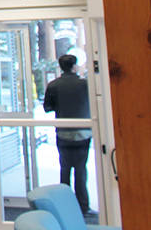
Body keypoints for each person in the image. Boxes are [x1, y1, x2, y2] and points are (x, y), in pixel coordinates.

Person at [43, 53, 93, 215]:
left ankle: (64, 206)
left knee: (64, 169)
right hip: (83, 133)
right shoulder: (85, 85)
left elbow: (47, 107)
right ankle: (83, 206)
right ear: (74, 66)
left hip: (63, 133)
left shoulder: (53, 85)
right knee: (80, 170)